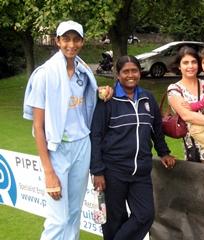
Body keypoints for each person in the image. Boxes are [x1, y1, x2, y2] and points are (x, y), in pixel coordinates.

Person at [22, 20, 113, 240]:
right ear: (58, 41)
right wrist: (49, 172)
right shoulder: (44, 74)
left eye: (75, 39)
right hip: (58, 148)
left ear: (81, 42)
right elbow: (38, 126)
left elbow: (86, 100)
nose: (71, 44)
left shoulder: (83, 73)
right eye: (66, 39)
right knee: (58, 219)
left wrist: (101, 90)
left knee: (73, 214)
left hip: (82, 145)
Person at [90, 55, 176, 240]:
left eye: (134, 71)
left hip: (141, 171)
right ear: (118, 75)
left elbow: (156, 129)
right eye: (125, 71)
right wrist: (97, 171)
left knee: (145, 215)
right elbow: (96, 136)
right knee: (113, 220)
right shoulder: (108, 101)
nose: (131, 75)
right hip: (113, 171)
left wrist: (164, 152)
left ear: (140, 72)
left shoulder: (147, 98)